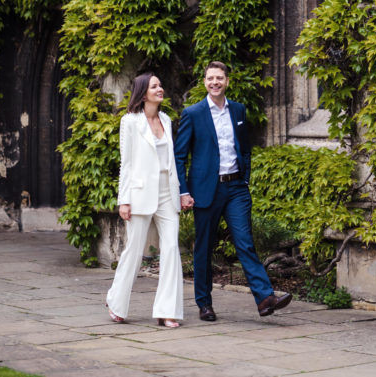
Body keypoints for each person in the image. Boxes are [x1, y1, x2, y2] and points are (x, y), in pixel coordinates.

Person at [174, 60, 292, 321]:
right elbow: (179, 156)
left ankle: (264, 298)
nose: (214, 82)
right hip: (206, 189)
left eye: (219, 78)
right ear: (204, 82)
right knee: (204, 248)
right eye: (210, 78)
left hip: (236, 187)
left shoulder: (238, 110)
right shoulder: (193, 113)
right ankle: (204, 303)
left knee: (245, 242)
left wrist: (245, 177)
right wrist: (183, 191)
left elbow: (244, 146)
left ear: (227, 81)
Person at [106, 73, 183, 327]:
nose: (160, 89)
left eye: (161, 85)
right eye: (154, 86)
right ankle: (116, 302)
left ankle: (167, 310)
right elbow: (126, 164)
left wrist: (180, 191)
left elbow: (171, 161)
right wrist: (123, 200)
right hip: (139, 193)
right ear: (142, 92)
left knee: (171, 248)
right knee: (134, 250)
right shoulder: (130, 122)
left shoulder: (167, 120)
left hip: (166, 192)